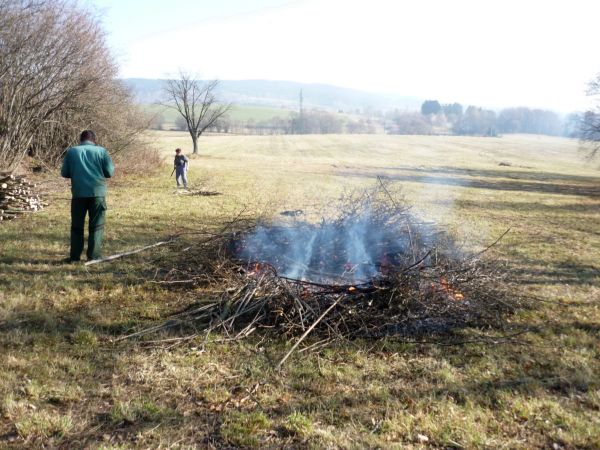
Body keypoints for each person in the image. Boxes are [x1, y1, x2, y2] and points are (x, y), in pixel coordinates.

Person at [61, 130, 114, 262]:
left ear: (81, 139)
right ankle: (94, 256)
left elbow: (64, 173)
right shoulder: (101, 151)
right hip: (97, 194)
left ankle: (74, 257)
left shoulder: (72, 151)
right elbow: (109, 172)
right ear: (94, 140)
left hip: (78, 193)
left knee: (77, 226)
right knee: (97, 225)